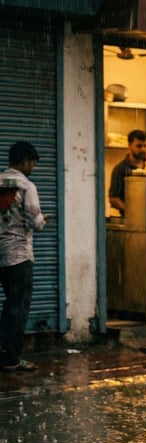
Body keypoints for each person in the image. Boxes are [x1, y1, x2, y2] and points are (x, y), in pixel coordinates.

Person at [0, 142, 46, 371]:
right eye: (33, 163)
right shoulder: (27, 186)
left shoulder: (0, 181)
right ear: (26, 161)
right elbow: (34, 221)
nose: (33, 168)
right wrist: (42, 220)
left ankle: (4, 352)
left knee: (8, 306)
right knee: (17, 306)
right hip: (18, 256)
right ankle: (12, 358)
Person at [108, 129, 146, 217]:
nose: (143, 149)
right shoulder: (120, 169)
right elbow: (113, 199)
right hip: (131, 220)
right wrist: (131, 212)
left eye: (145, 146)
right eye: (139, 146)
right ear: (129, 146)